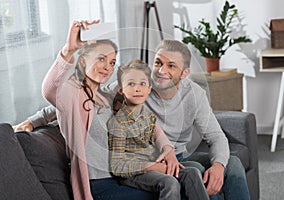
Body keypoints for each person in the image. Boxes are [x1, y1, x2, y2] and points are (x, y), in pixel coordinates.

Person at [14, 39, 250, 200]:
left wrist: (218, 165)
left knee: (231, 166)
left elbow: (214, 136)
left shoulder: (193, 94)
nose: (161, 71)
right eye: (158, 62)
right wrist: (34, 121)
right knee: (195, 170)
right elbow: (80, 99)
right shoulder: (132, 85)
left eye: (171, 66)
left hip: (174, 155)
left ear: (184, 73)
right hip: (140, 161)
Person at [38, 19, 184, 200]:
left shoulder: (105, 97)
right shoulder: (73, 93)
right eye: (101, 59)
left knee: (179, 183)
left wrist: (167, 148)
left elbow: (148, 121)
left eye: (112, 62)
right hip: (98, 183)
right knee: (169, 189)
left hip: (123, 175)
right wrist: (69, 50)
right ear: (83, 61)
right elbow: (50, 91)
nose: (108, 67)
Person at [108, 60, 209, 200]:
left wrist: (167, 154)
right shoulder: (118, 123)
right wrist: (153, 167)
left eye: (142, 84)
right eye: (131, 84)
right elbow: (117, 166)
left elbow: (159, 137)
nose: (137, 88)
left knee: (192, 172)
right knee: (170, 182)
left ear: (149, 88)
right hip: (134, 173)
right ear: (121, 89)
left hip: (155, 164)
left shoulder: (148, 116)